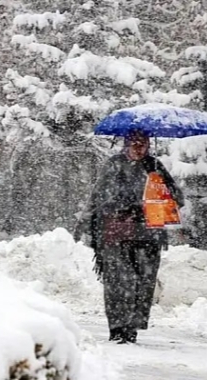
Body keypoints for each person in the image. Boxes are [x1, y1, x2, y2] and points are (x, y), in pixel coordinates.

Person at [73, 130, 184, 344]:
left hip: (148, 236)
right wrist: (122, 204)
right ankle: (117, 328)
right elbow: (99, 196)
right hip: (115, 235)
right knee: (117, 282)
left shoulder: (154, 166)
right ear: (126, 144)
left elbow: (176, 197)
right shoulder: (113, 165)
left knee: (143, 284)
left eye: (143, 144)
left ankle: (132, 329)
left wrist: (158, 196)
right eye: (134, 143)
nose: (138, 147)